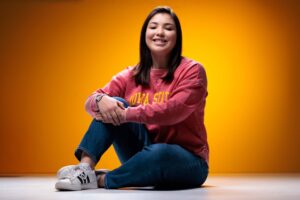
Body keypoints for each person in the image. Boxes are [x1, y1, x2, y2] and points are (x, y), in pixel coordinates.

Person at [55, 6, 209, 191]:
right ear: (145, 34)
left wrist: (126, 114)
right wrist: (99, 100)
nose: (160, 32)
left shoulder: (192, 71)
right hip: (142, 153)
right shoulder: (131, 74)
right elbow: (90, 102)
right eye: (153, 27)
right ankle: (85, 169)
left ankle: (103, 179)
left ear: (177, 37)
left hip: (187, 161)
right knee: (112, 104)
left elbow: (173, 111)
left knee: (158, 152)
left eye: (168, 28)